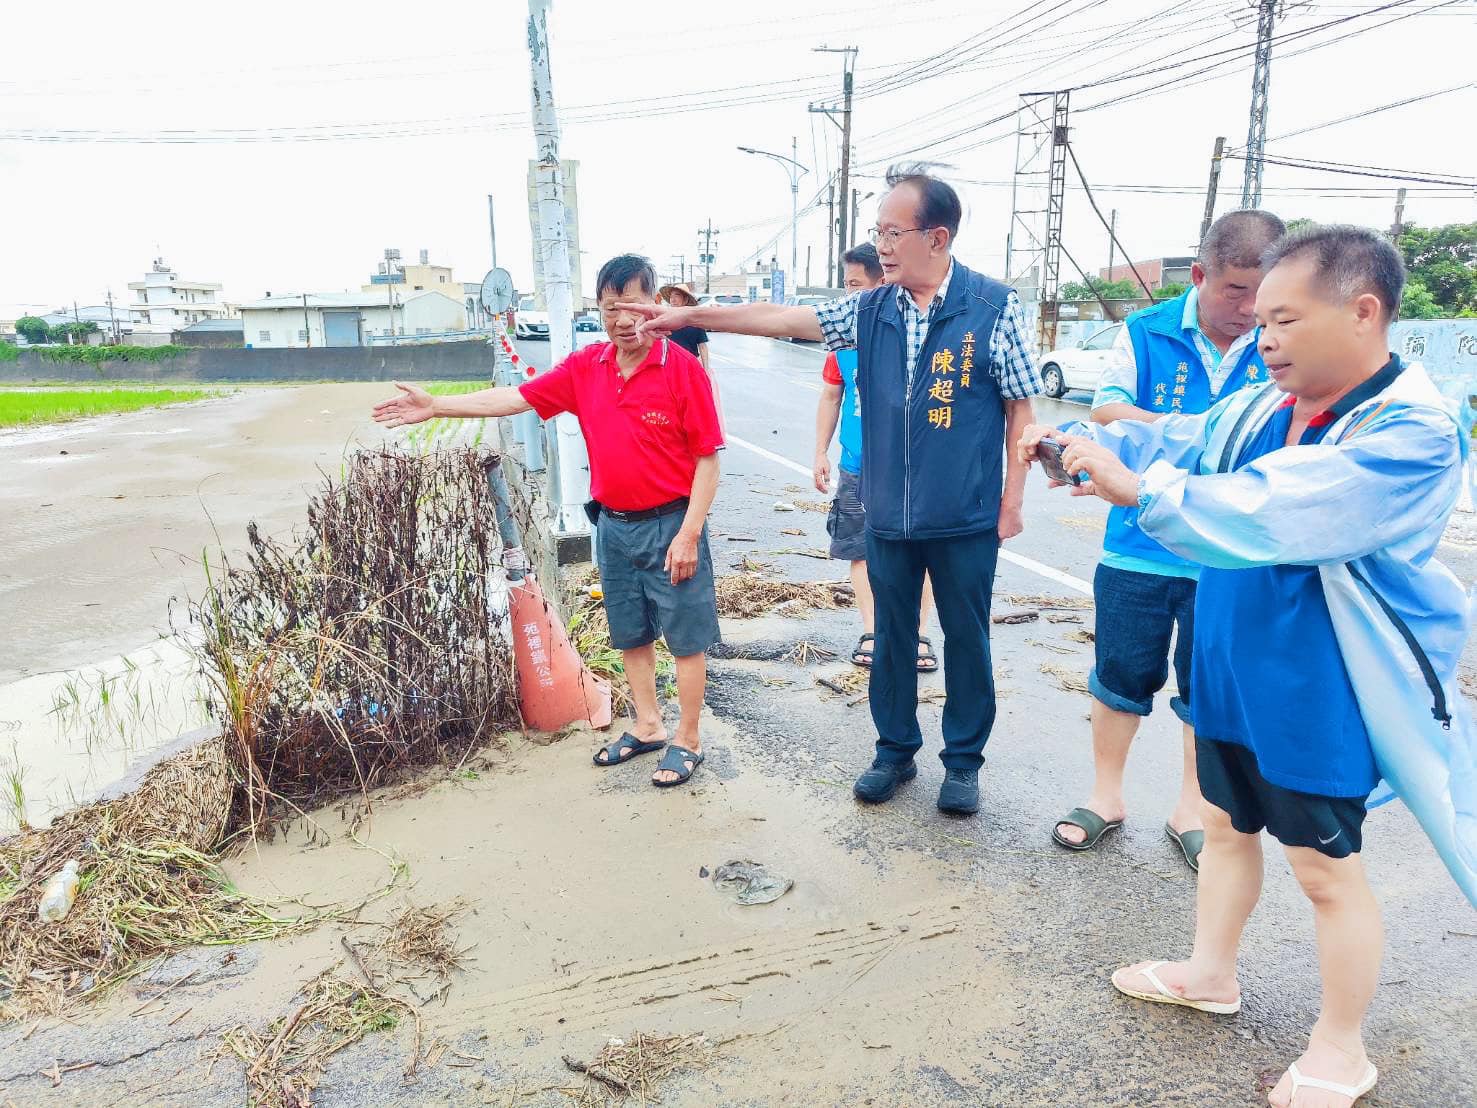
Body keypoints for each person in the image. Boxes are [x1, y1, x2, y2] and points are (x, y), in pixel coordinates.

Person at [1018, 224, 1477, 1105]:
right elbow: (1180, 441)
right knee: (1226, 826)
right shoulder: (1264, 401)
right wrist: (1075, 444)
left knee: (1324, 871)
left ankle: (1340, 1048)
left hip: (1319, 678)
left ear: (1363, 311)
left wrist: (1138, 488)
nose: (1261, 338)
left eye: (1283, 319)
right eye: (1257, 319)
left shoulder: (1409, 431)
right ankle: (1208, 973)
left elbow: (1284, 507)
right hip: (1231, 650)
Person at [621, 164, 1042, 816]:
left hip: (963, 516)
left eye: (891, 232)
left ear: (936, 236)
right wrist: (691, 317)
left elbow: (1020, 409)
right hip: (885, 515)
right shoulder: (869, 309)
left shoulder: (992, 306)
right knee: (891, 641)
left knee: (965, 642)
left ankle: (962, 765)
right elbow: (782, 318)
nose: (880, 244)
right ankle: (893, 752)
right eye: (876, 231)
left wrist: (1011, 502)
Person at [373, 254, 724, 789]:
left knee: (686, 638)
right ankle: (649, 726)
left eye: (634, 306)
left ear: (654, 306)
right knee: (631, 633)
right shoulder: (588, 369)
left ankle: (688, 739)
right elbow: (515, 397)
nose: (624, 320)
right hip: (612, 526)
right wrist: (437, 405)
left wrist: (690, 533)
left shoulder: (682, 370)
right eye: (611, 308)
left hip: (671, 524)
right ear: (599, 310)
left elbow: (707, 458)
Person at [1053, 209, 1287, 871]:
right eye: (1233, 290)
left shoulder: (1279, 341)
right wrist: (1201, 437)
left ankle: (1190, 807)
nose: (1247, 309)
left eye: (1260, 293)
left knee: (1206, 685)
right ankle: (1105, 796)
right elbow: (1105, 411)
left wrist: (1160, 441)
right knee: (1120, 673)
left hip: (1225, 552)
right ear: (1199, 274)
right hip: (1136, 543)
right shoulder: (1145, 331)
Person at [812, 242, 938, 673]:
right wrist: (820, 453)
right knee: (860, 550)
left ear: (881, 283)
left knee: (922, 556)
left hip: (912, 468)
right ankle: (873, 630)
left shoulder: (918, 333)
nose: (848, 296)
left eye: (853, 285)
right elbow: (832, 396)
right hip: (857, 465)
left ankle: (917, 634)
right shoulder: (843, 340)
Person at [658, 282, 725, 428]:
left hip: (689, 366)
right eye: (672, 296)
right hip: (668, 365)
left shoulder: (695, 321)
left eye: (677, 296)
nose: (673, 299)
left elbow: (702, 345)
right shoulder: (665, 319)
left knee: (691, 401)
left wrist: (706, 369)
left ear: (685, 299)